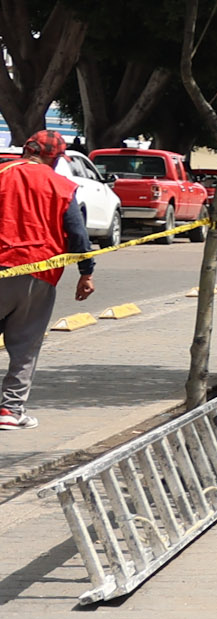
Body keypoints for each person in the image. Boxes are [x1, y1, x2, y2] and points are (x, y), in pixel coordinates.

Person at [0, 131, 97, 430]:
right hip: (40, 272)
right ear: (54, 157)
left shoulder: (2, 173)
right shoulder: (61, 186)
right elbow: (77, 233)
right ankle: (10, 410)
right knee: (25, 344)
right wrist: (86, 272)